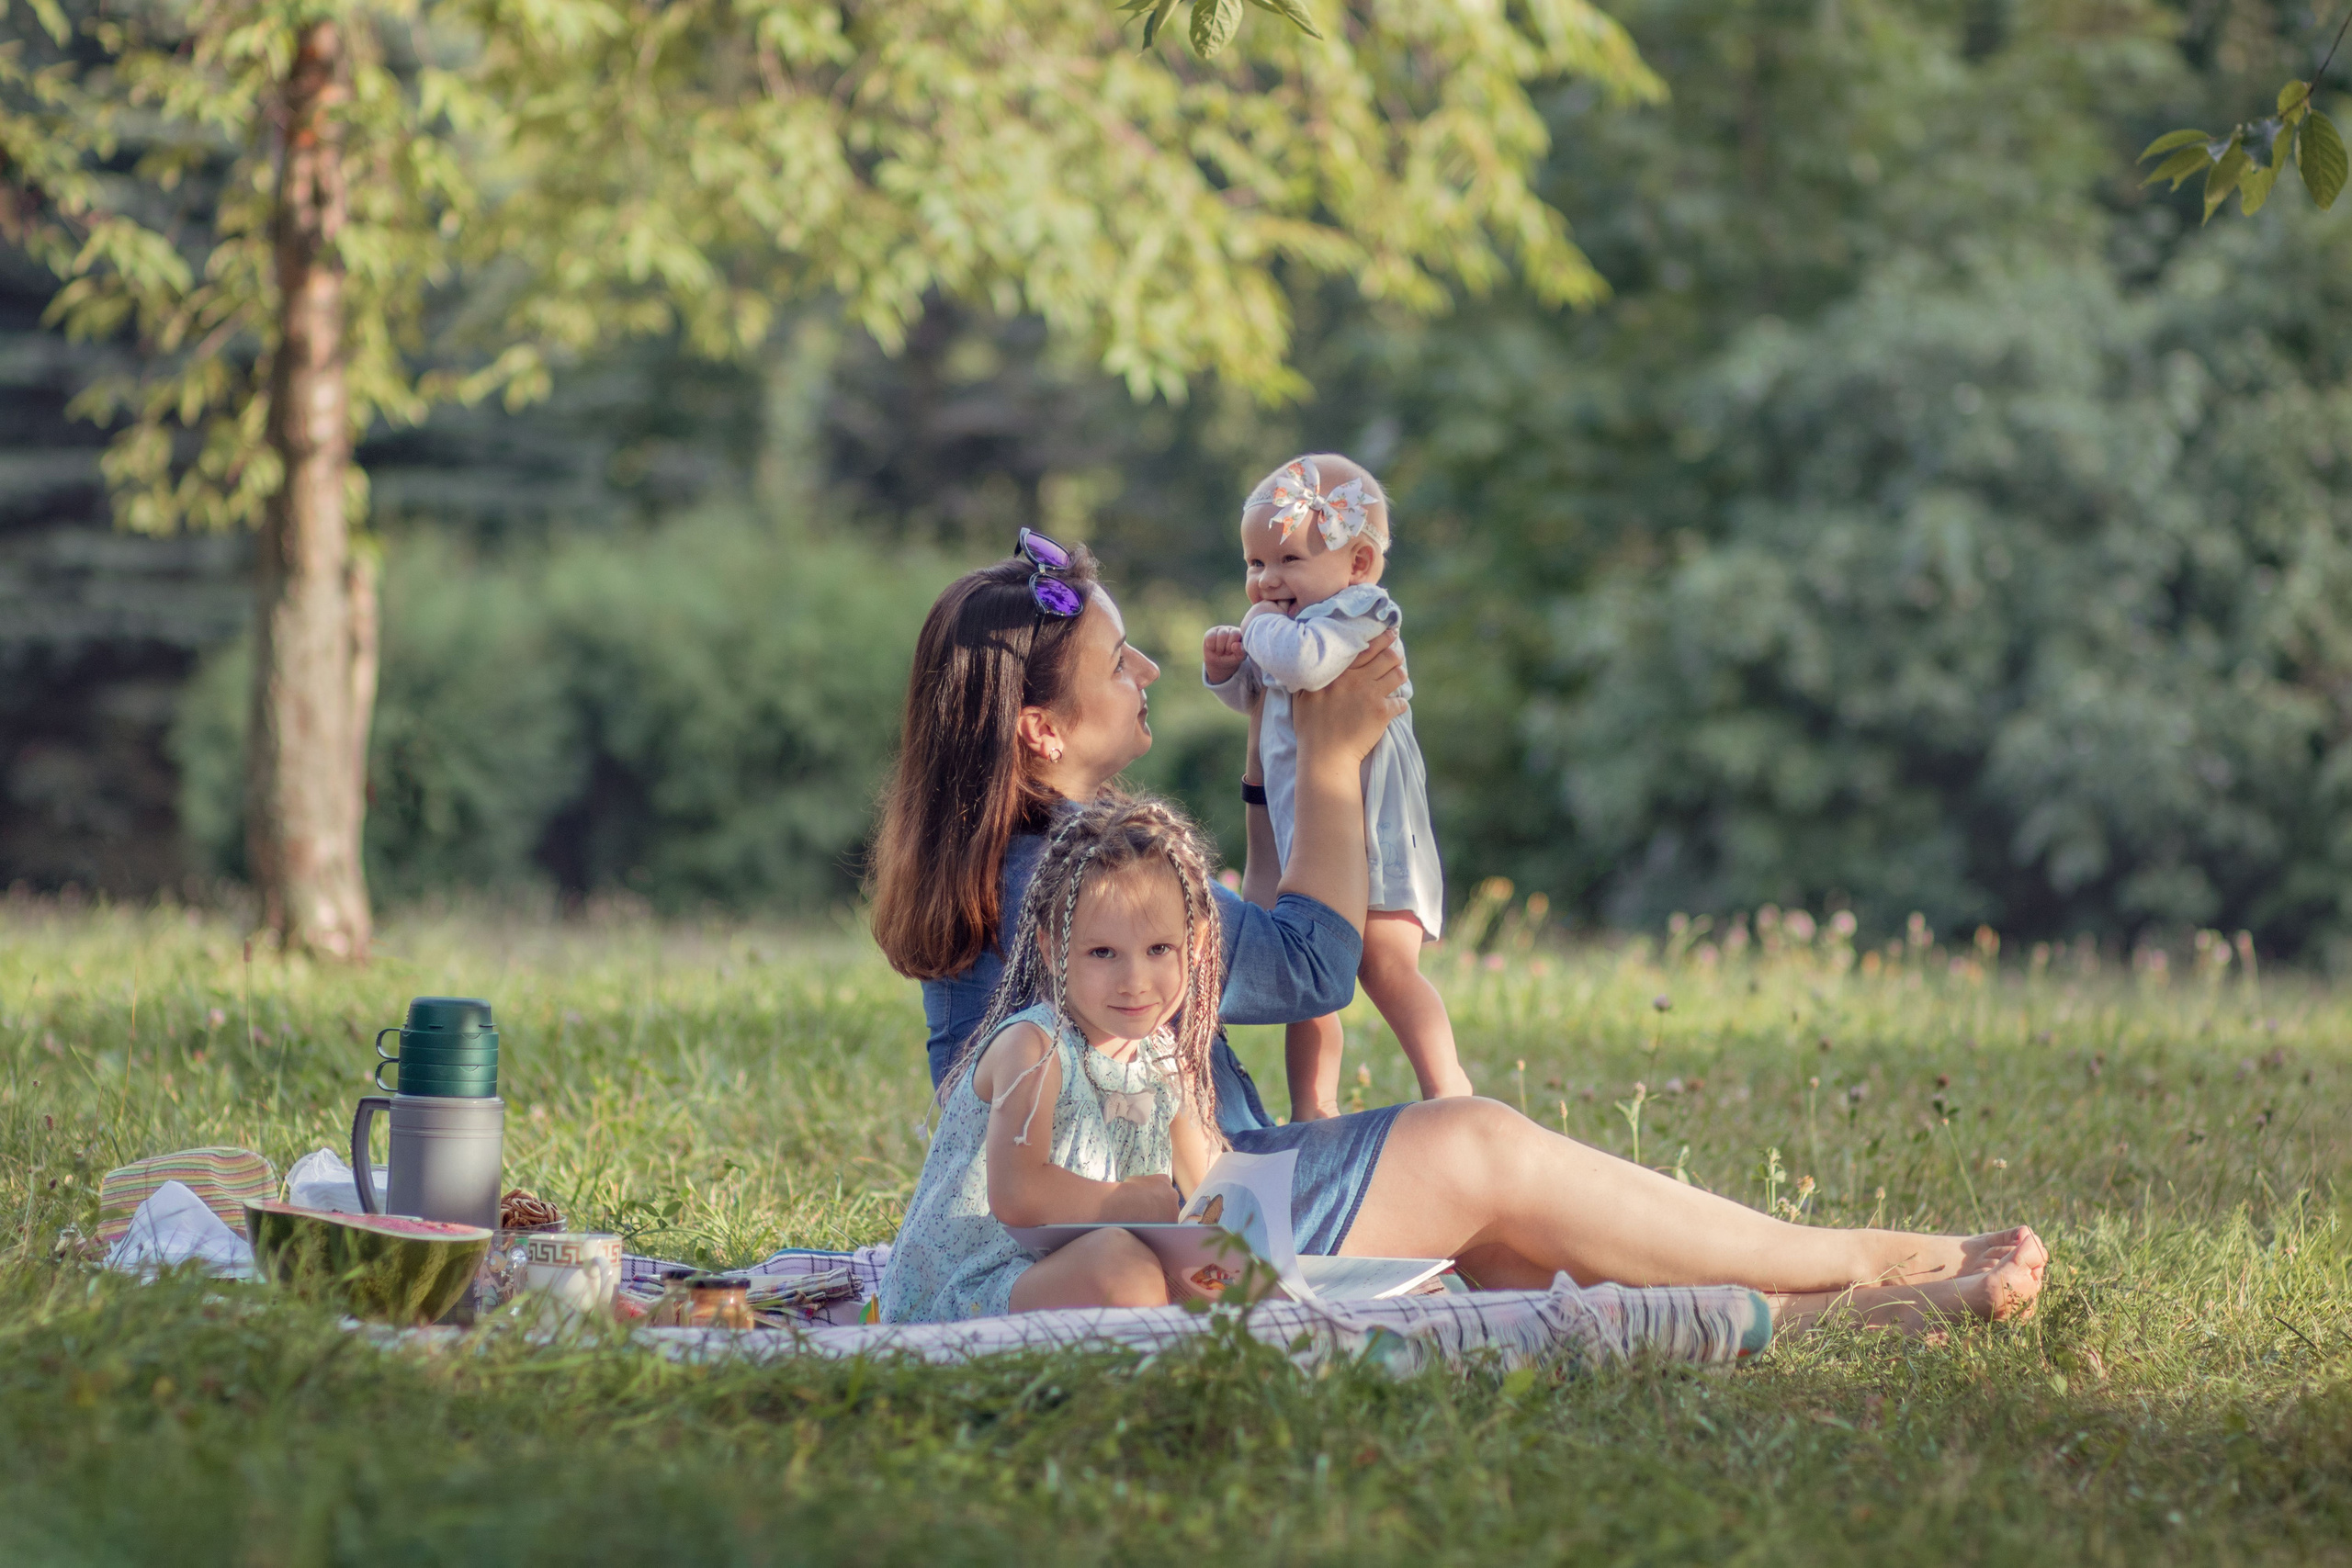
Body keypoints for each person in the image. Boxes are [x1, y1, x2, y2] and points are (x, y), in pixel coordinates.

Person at [868, 532, 2046, 1334]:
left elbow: (1259, 946)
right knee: (1478, 1147)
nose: (1148, 669)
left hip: (1179, 1196)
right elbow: (1316, 962)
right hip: (1145, 1221)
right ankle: (1852, 1257)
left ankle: (1860, 1311)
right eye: (1115, 660)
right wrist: (1334, 763)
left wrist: (1270, 760)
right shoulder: (1067, 884)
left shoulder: (1030, 856)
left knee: (1505, 1251)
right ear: (1037, 728)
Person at [877, 799, 1224, 1321]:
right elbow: (1017, 1194)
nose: (1135, 981)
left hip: (1067, 1269)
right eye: (1102, 953)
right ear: (1050, 947)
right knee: (1126, 1272)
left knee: (1221, 1281)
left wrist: (1231, 1228)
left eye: (1158, 949)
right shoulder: (1033, 1049)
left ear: (1193, 945)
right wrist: (1129, 1205)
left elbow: (1207, 1187)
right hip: (972, 1288)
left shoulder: (1165, 1057)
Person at [1204, 454, 1469, 1119]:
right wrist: (1227, 671)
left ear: (1357, 564)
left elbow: (1304, 666)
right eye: (1254, 563)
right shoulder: (1291, 624)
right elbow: (1263, 699)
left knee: (1385, 962)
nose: (1265, 581)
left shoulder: (1360, 612)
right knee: (1309, 983)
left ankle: (1450, 1092)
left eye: (1288, 560)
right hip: (1316, 831)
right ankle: (1312, 1108)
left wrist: (1262, 628)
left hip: (1376, 831)